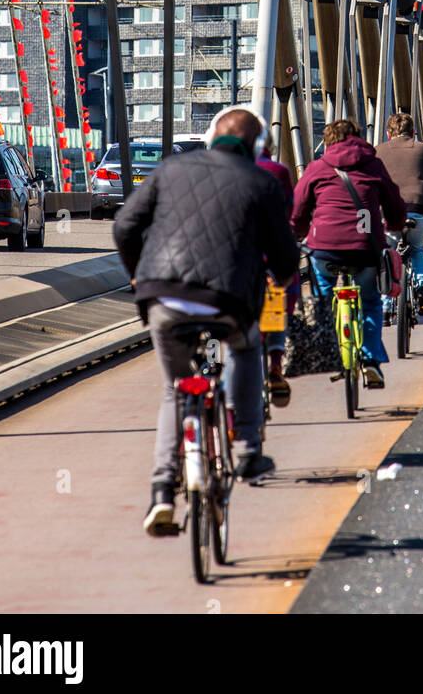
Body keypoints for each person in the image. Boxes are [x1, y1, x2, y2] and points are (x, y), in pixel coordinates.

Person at [113, 108, 298, 534]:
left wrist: (138, 273)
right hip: (226, 302)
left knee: (175, 389)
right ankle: (249, 448)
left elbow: (125, 226)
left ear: (211, 136)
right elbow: (286, 258)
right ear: (255, 148)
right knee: (248, 348)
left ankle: (162, 491)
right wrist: (277, 280)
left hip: (164, 298)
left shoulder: (171, 168)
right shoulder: (262, 183)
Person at [291, 118, 406, 390]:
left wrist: (300, 232)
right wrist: (395, 226)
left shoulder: (317, 167)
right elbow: (394, 202)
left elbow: (297, 210)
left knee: (323, 298)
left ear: (328, 141)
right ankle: (370, 360)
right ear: (357, 138)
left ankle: (331, 347)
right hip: (366, 246)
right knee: (369, 301)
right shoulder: (373, 164)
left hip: (325, 246)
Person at [376, 111, 423, 317]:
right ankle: (422, 288)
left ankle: (386, 305)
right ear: (413, 132)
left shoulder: (379, 150)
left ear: (389, 134)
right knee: (417, 249)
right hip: (419, 209)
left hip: (388, 213)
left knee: (388, 252)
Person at [256, 135, 295, 409]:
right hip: (267, 258)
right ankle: (275, 362)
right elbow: (291, 215)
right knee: (277, 298)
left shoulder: (214, 170)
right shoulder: (277, 172)